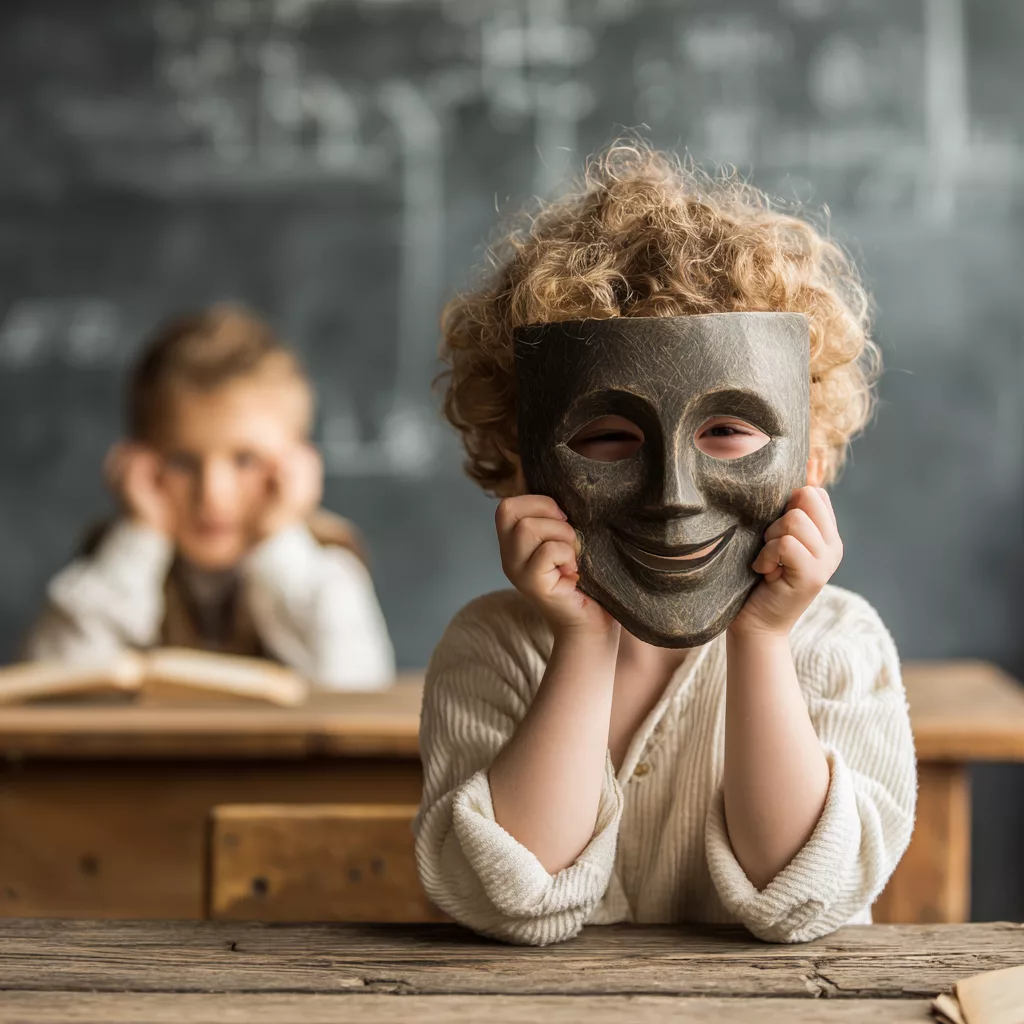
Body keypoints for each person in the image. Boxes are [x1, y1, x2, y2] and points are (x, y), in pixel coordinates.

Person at [413, 143, 916, 944]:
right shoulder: (494, 648)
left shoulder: (838, 646)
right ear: (518, 456)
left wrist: (762, 638)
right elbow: (507, 898)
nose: (674, 496)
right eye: (609, 436)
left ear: (812, 453)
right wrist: (581, 640)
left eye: (728, 430)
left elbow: (801, 900)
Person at [25, 304, 395, 690]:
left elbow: (355, 686)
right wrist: (140, 538)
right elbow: (51, 686)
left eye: (245, 460)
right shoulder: (115, 566)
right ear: (139, 464)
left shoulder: (324, 570)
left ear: (298, 466)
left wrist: (276, 539)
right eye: (182, 462)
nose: (213, 495)